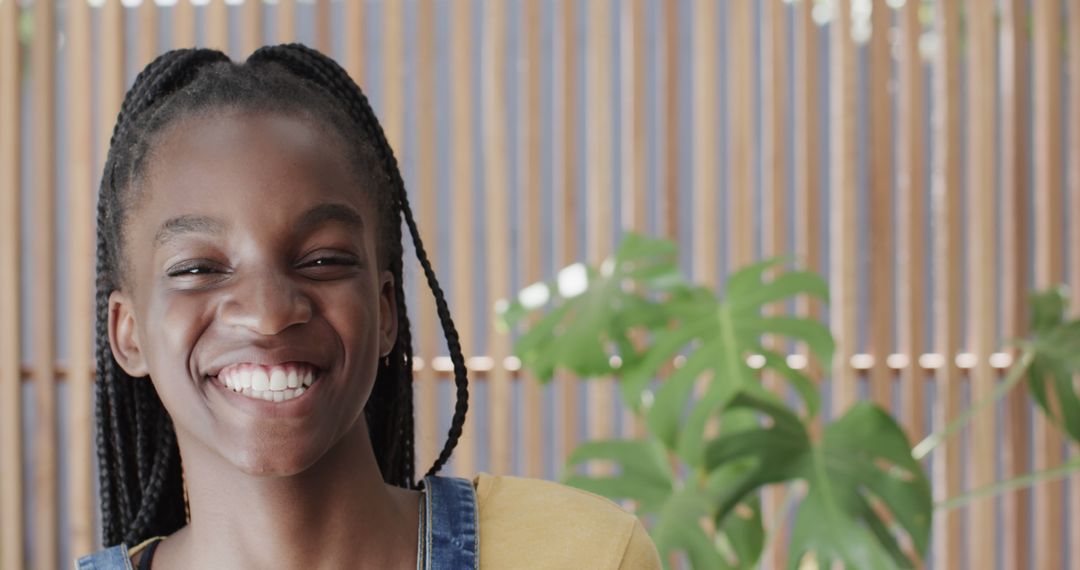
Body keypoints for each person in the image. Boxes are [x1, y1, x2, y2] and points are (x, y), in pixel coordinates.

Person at [74, 44, 660, 569]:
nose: (269, 312)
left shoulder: (583, 556)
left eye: (323, 260)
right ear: (128, 334)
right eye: (199, 269)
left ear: (385, 312)